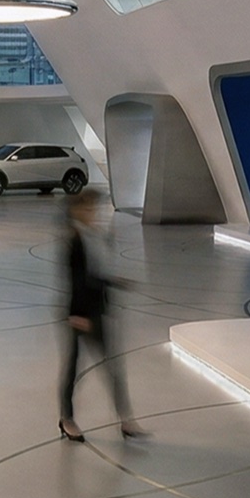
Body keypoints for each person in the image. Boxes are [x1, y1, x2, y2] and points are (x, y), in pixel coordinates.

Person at [58, 189, 146, 442]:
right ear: (75, 211)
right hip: (80, 314)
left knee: (113, 366)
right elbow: (75, 280)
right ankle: (67, 418)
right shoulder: (73, 238)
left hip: (98, 309)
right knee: (73, 368)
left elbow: (96, 271)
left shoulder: (94, 235)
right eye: (87, 209)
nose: (92, 213)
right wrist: (76, 313)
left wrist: (115, 282)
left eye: (94, 209)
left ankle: (126, 420)